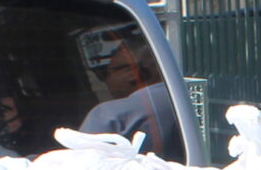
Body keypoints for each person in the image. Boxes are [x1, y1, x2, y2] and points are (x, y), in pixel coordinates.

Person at [77, 32, 187, 162]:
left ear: (132, 71)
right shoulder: (192, 101)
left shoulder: (108, 115)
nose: (105, 81)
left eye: (106, 72)